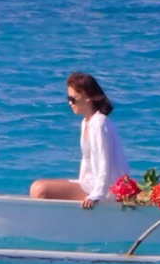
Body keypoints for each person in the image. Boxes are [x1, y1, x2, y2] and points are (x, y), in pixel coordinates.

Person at [30, 72, 130, 208]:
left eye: (73, 99)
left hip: (106, 189)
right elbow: (87, 161)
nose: (70, 103)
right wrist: (79, 184)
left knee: (40, 189)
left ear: (87, 97)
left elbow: (104, 162)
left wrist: (97, 195)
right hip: (90, 183)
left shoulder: (100, 123)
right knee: (37, 186)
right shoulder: (86, 122)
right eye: (68, 99)